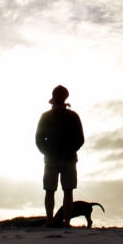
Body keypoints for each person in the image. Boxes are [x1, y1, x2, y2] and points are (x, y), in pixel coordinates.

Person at [35, 85, 85, 227]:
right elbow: (80, 139)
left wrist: (47, 152)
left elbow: (38, 139)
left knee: (51, 190)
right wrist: (70, 150)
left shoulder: (46, 116)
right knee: (66, 191)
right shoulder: (73, 116)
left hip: (54, 158)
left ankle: (50, 221)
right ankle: (65, 222)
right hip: (65, 158)